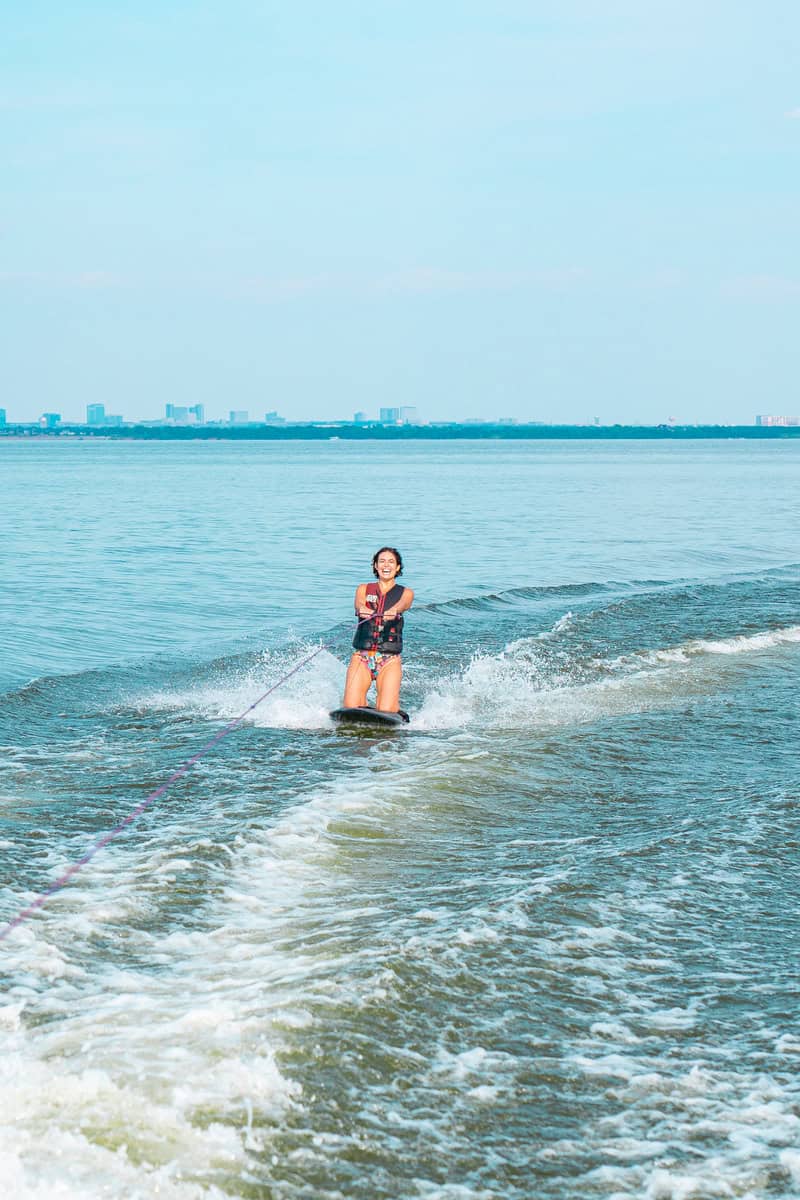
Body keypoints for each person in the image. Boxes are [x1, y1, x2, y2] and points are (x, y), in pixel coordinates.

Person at [342, 547, 414, 713]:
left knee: (386, 709)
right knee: (351, 707)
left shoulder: (406, 593)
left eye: (391, 562)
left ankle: (395, 709)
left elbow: (404, 604)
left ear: (397, 567)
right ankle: (363, 707)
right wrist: (362, 608)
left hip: (389, 660)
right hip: (362, 657)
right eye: (381, 561)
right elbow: (359, 604)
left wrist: (394, 610)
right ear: (375, 566)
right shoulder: (363, 589)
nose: (386, 565)